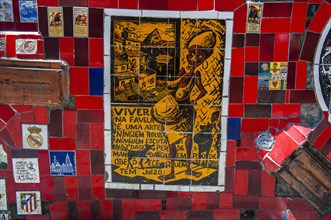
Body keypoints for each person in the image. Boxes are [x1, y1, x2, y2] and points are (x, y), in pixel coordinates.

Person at [152, 31, 217, 181]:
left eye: (199, 55)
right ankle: (172, 171)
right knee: (171, 141)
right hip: (173, 110)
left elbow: (203, 90)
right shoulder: (182, 71)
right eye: (193, 54)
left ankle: (188, 169)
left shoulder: (196, 74)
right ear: (188, 55)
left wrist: (195, 100)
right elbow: (173, 85)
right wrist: (160, 83)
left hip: (186, 110)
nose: (195, 58)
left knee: (188, 140)